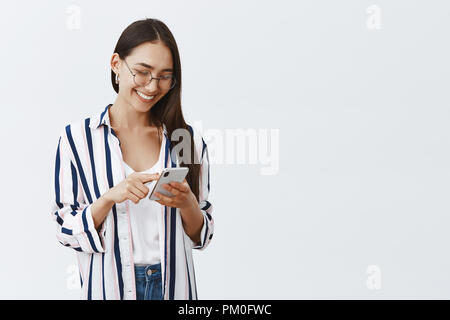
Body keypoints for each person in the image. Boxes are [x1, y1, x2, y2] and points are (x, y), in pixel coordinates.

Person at [51, 18, 214, 300]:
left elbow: (202, 235)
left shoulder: (184, 138)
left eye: (165, 76)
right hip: (111, 287)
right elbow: (66, 231)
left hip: (174, 287)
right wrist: (108, 199)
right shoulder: (77, 139)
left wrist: (187, 202)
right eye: (142, 72)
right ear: (116, 64)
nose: (152, 86)